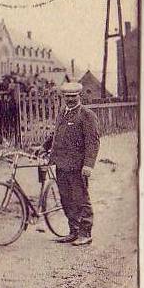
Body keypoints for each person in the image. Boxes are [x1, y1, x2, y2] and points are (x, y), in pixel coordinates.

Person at [41, 81, 101, 246]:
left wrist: (88, 165)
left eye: (73, 96)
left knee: (81, 199)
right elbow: (56, 135)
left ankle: (85, 233)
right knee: (66, 199)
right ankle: (73, 231)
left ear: (79, 96)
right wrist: (44, 147)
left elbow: (93, 142)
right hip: (61, 164)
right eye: (67, 96)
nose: (70, 99)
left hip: (77, 167)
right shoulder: (62, 113)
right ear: (63, 97)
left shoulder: (86, 115)